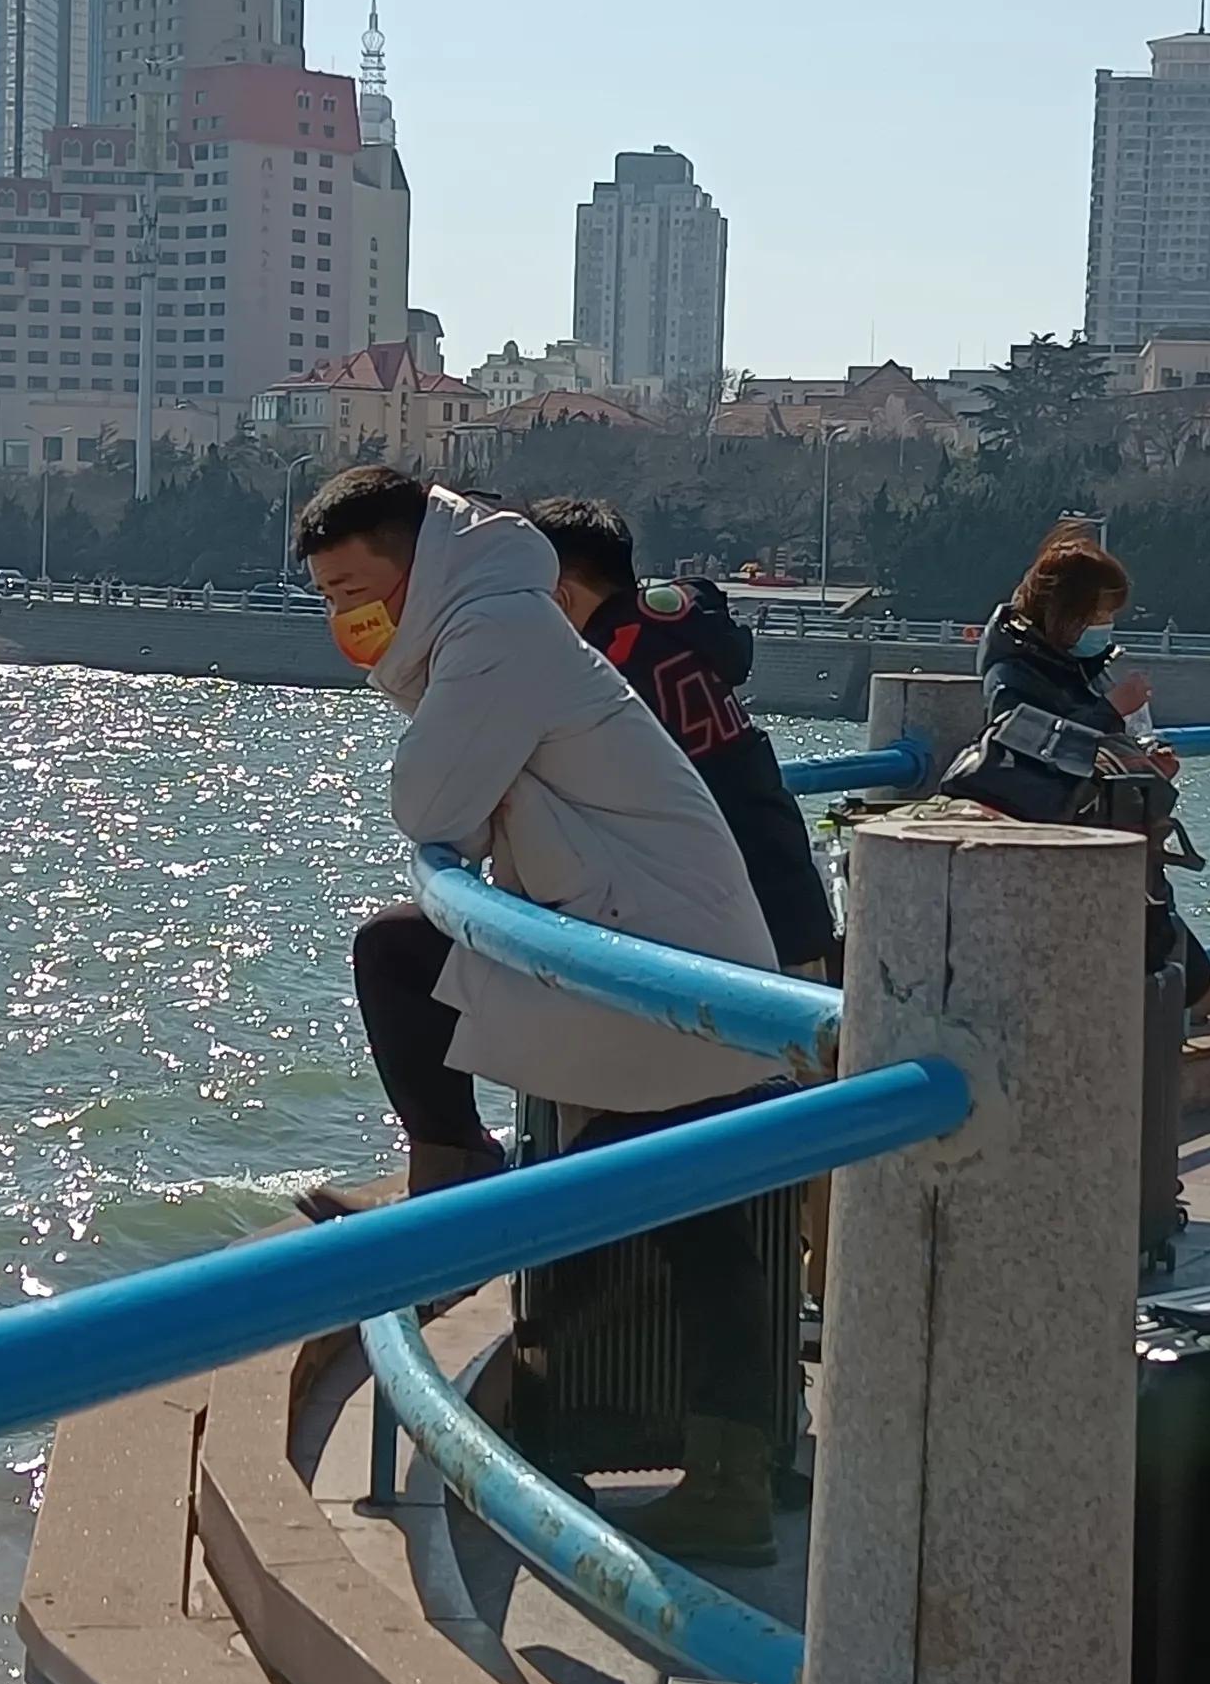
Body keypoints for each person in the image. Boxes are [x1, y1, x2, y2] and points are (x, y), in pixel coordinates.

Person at [295, 465, 793, 1558]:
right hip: (630, 942)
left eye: (356, 588)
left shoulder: (498, 632)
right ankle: (714, 1470)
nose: (346, 617)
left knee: (659, 1204)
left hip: (664, 968)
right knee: (672, 1210)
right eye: (327, 597)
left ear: (417, 563)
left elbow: (429, 802)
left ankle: (458, 1194)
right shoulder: (487, 625)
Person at [958, 535, 1201, 1266]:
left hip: (1105, 846)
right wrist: (1112, 721)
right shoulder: (1012, 663)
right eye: (1100, 612)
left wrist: (1131, 750)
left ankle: (1145, 1181)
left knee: (1176, 979)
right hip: (1057, 854)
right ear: (1070, 610)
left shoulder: (1060, 659)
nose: (1107, 628)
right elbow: (1024, 738)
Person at [523, 498, 839, 976]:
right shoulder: (681, 618)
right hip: (787, 883)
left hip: (722, 919)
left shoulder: (602, 671)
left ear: (560, 597)